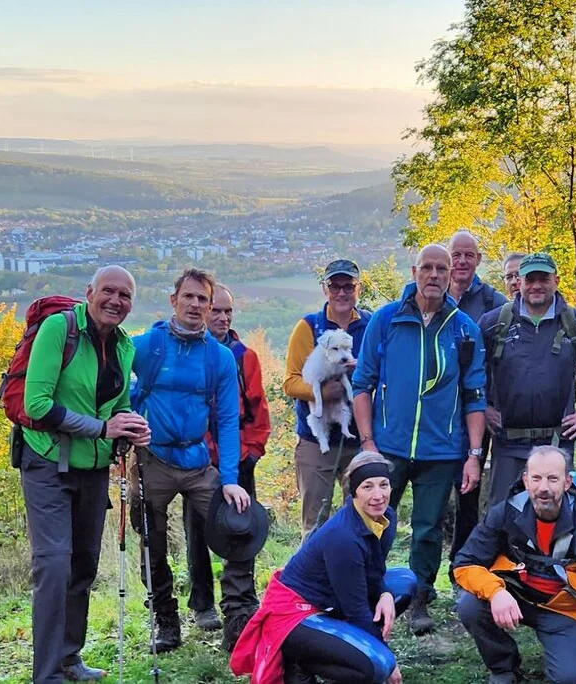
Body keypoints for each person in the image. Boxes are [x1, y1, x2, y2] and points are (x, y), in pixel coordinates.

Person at [352, 244, 488, 635]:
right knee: (370, 521)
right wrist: (367, 443)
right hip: (387, 447)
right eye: (426, 267)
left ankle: (420, 599)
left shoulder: (464, 329)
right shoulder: (386, 320)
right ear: (414, 272)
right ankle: (366, 593)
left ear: (450, 275)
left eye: (440, 269)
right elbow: (363, 384)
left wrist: (474, 455)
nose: (433, 275)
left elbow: (474, 395)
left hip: (441, 450)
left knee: (427, 528)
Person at [20, 266, 148, 683]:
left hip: (93, 468)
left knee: (83, 565)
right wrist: (101, 429)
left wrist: (130, 426)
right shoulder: (60, 329)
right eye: (108, 292)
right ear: (89, 293)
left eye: (125, 295)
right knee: (54, 566)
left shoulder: (125, 345)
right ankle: (47, 674)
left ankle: (69, 659)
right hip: (46, 462)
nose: (116, 301)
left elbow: (117, 405)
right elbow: (37, 404)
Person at [130, 268, 252, 653]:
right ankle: (166, 621)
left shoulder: (219, 358)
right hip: (154, 459)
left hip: (198, 462)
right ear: (174, 300)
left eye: (204, 299)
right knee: (151, 538)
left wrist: (230, 478)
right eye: (190, 297)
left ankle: (238, 618)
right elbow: (114, 385)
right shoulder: (148, 346)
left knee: (237, 527)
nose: (197, 305)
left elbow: (230, 420)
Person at [231, 452, 416, 684]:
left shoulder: (385, 518)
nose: (378, 495)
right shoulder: (344, 537)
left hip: (333, 599)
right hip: (296, 613)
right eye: (367, 486)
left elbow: (374, 570)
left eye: (384, 485)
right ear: (354, 491)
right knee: (378, 666)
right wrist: (388, 659)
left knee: (405, 581)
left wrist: (385, 593)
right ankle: (301, 659)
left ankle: (343, 646)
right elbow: (356, 608)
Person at [454, 446, 576, 684]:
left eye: (553, 479)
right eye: (536, 478)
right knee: (469, 604)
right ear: (526, 480)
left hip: (561, 609)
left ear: (566, 483)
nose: (544, 488)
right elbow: (464, 563)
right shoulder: (505, 512)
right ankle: (503, 667)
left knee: (570, 679)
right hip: (513, 599)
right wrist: (496, 592)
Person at [180, 283, 272, 650]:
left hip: (239, 459)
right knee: (197, 532)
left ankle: (240, 606)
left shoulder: (243, 356)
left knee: (241, 531)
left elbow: (257, 409)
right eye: (215, 310)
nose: (222, 317)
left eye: (227, 311)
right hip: (198, 461)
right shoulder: (188, 354)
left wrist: (251, 452)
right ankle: (202, 603)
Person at [478, 253, 576, 507]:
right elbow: (469, 375)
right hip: (508, 443)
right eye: (530, 279)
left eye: (544, 278)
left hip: (557, 443)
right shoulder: (493, 324)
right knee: (503, 517)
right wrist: (482, 408)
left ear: (556, 280)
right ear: (519, 282)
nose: (536, 285)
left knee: (556, 514)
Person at [284, 260, 372, 535]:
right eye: (335, 286)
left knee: (363, 521)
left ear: (358, 288)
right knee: (315, 524)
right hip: (316, 442)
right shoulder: (309, 327)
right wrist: (321, 393)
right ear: (326, 289)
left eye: (349, 286)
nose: (342, 292)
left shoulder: (371, 324)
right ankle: (310, 577)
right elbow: (291, 382)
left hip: (360, 440)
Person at [446, 230, 509, 585]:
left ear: (478, 260)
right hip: (439, 414)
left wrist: (488, 406)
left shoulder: (493, 302)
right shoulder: (435, 296)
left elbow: (502, 364)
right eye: (457, 254)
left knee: (470, 491)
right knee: (442, 489)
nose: (462, 261)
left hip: (478, 412)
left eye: (469, 255)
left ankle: (464, 566)